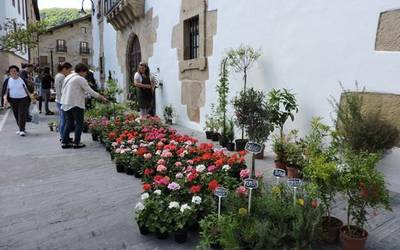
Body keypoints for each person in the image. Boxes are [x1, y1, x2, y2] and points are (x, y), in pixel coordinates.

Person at [60, 63, 107, 149]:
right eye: (85, 72)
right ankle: (77, 143)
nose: (86, 74)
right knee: (79, 124)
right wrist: (101, 97)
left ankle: (65, 142)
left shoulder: (68, 77)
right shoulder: (80, 79)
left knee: (69, 122)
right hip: (76, 104)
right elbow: (90, 91)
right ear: (82, 71)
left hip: (65, 103)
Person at [2, 65, 31, 136]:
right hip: (13, 100)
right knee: (16, 115)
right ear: (10, 73)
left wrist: (31, 98)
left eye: (14, 71)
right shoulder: (8, 81)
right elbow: (5, 91)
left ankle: (21, 130)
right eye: (11, 71)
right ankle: (22, 128)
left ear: (17, 72)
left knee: (21, 114)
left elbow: (26, 90)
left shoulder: (22, 80)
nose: (13, 72)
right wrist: (5, 100)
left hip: (23, 99)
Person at [55, 62, 72, 140]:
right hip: (62, 100)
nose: (69, 72)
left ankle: (64, 136)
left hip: (58, 100)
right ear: (64, 69)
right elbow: (64, 90)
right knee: (64, 120)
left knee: (62, 119)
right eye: (69, 70)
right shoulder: (62, 77)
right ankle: (64, 137)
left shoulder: (57, 75)